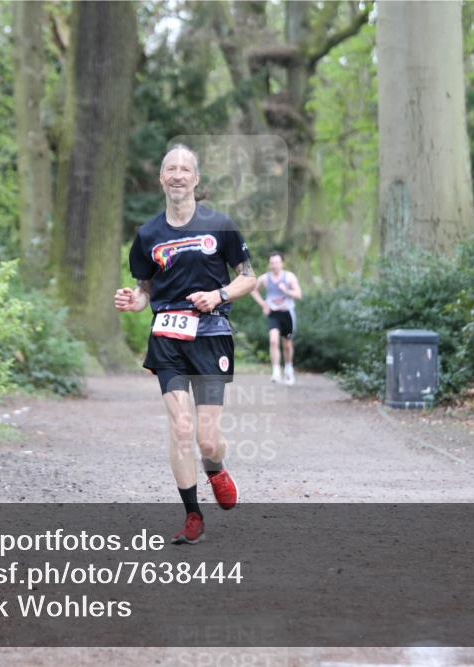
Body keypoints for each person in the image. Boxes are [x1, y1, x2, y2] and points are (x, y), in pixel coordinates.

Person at [114, 145, 256, 545]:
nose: (177, 175)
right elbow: (145, 291)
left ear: (196, 179)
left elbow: (249, 278)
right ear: (162, 179)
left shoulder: (220, 225)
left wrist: (219, 295)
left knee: (206, 438)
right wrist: (133, 301)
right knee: (180, 427)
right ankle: (193, 516)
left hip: (211, 334)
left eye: (185, 169)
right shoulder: (148, 235)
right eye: (170, 169)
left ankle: (215, 468)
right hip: (167, 337)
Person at [251, 251, 302, 385]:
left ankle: (289, 369)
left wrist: (286, 291)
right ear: (269, 264)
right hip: (273, 313)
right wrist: (263, 304)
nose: (275, 265)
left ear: (282, 263)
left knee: (287, 345)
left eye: (277, 262)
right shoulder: (265, 278)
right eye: (272, 263)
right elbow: (253, 290)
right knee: (273, 341)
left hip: (287, 314)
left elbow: (299, 294)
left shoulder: (289, 277)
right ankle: (276, 371)